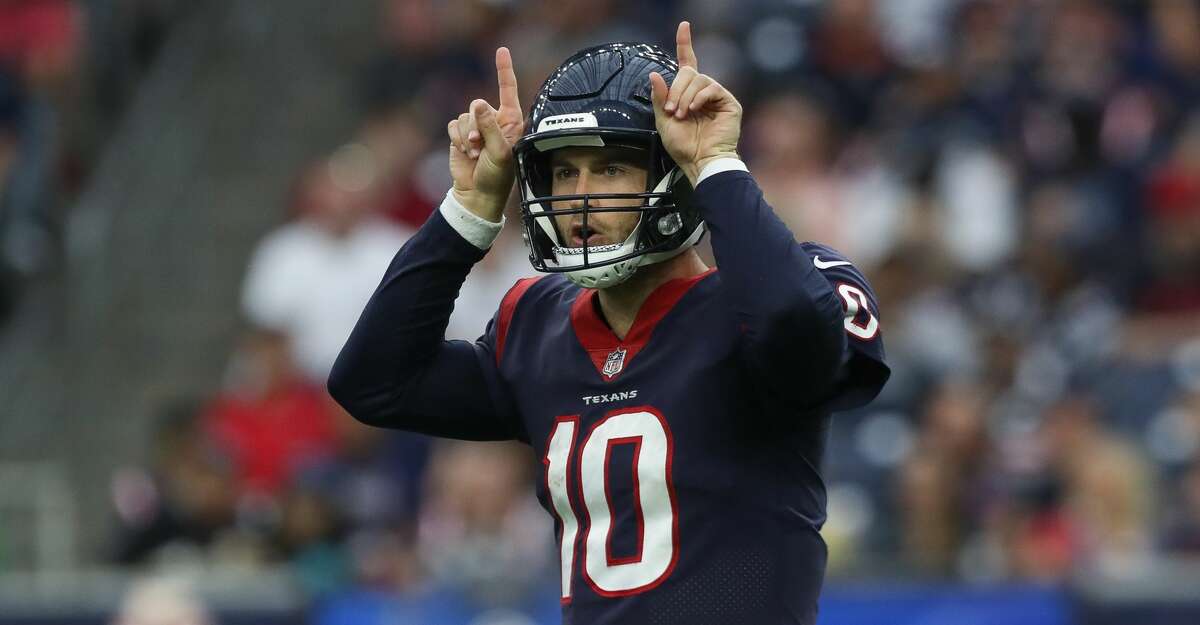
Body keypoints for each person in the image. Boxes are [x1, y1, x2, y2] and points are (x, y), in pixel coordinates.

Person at [329, 22, 890, 625]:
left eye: (611, 168)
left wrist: (716, 165)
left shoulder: (787, 289)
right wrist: (465, 215)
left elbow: (789, 321)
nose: (581, 197)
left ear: (674, 175)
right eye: (564, 172)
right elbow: (372, 381)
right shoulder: (535, 322)